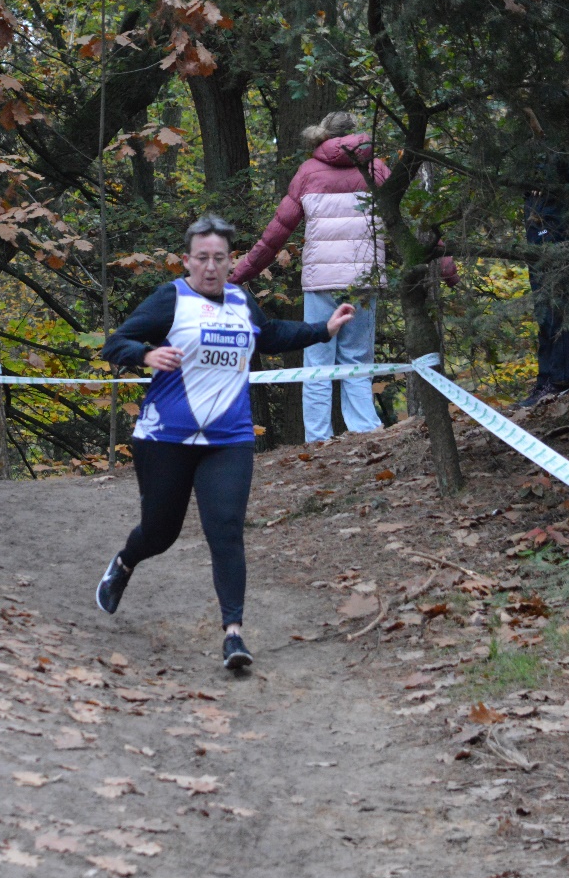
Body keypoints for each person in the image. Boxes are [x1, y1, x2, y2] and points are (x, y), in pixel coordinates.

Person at [95, 214, 356, 669]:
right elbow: (115, 343)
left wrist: (323, 329)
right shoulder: (170, 299)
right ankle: (124, 563)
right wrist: (145, 353)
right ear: (187, 261)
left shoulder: (241, 301)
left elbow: (270, 335)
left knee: (226, 529)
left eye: (219, 258)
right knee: (161, 532)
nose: (211, 267)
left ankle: (233, 634)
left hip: (228, 438)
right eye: (202, 258)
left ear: (230, 261)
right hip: (165, 437)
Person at [228, 111, 457, 441]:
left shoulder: (308, 172)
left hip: (321, 282)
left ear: (323, 135)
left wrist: (238, 274)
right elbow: (408, 220)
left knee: (317, 361)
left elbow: (275, 233)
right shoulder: (375, 168)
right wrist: (446, 265)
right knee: (358, 360)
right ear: (356, 133)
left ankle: (318, 440)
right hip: (363, 279)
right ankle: (364, 434)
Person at [518, 155, 569, 408]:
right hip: (535, 213)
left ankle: (559, 381)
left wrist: (545, 177)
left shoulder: (557, 143)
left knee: (556, 299)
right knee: (543, 304)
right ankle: (546, 378)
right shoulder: (527, 140)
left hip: (552, 215)